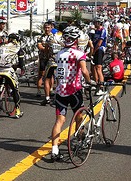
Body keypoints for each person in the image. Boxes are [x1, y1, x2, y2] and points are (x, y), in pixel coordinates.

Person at [49, 26, 92, 162]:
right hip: (74, 91)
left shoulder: (59, 54)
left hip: (60, 91)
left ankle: (54, 150)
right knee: (79, 116)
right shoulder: (79, 54)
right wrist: (90, 82)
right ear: (76, 39)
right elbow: (84, 71)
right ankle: (79, 139)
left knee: (59, 121)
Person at [0, 33, 24, 118]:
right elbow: (21, 63)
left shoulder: (1, 46)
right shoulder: (17, 47)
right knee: (15, 89)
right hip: (8, 70)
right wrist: (21, 68)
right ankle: (17, 111)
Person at [37, 21, 61, 104]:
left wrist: (49, 49)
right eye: (45, 27)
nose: (47, 29)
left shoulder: (54, 37)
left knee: (55, 77)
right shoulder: (41, 37)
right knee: (42, 75)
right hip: (44, 59)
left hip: (53, 60)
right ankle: (39, 90)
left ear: (52, 28)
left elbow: (48, 48)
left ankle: (51, 94)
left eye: (49, 27)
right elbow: (40, 47)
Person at [92, 18, 107, 95]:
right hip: (95, 49)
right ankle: (97, 83)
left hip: (100, 49)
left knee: (98, 68)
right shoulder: (96, 30)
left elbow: (99, 43)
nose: (94, 23)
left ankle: (101, 87)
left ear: (99, 23)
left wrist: (93, 52)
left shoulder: (103, 30)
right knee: (94, 67)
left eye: (95, 22)